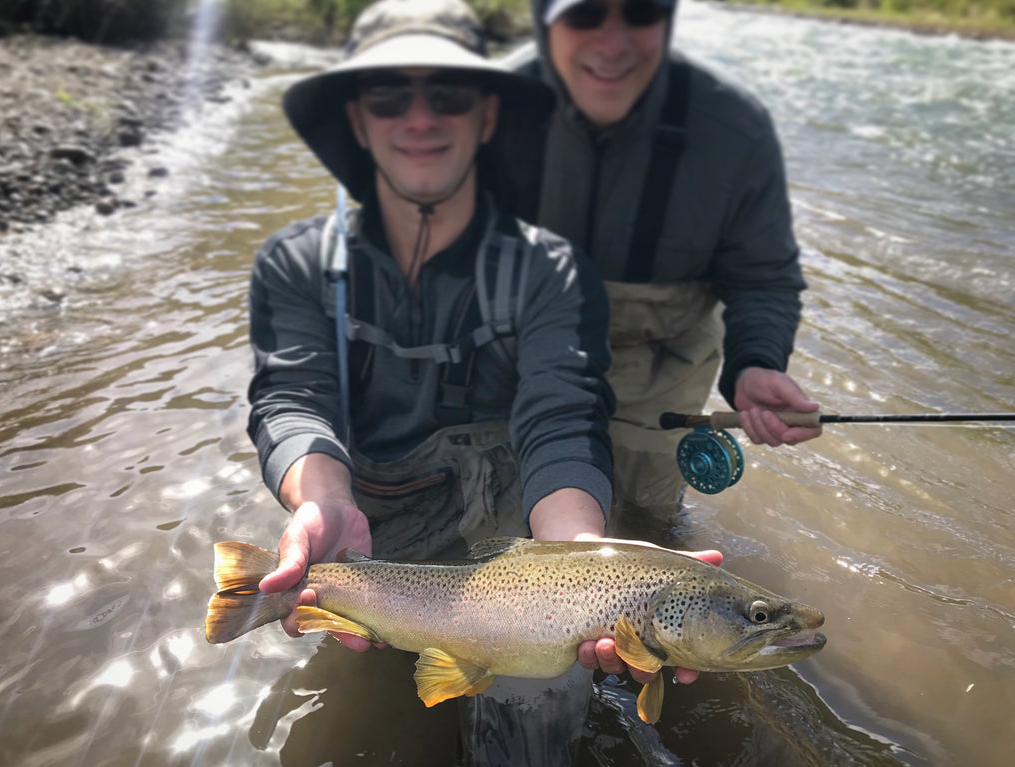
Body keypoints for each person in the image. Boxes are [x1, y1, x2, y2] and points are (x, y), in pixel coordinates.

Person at [244, 0, 721, 762]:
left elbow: (561, 419)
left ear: (488, 116)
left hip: (524, 523)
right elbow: (293, 397)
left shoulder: (552, 270)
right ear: (358, 121)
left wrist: (584, 564)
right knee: (366, 702)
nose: (421, 117)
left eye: (450, 94)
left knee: (538, 714)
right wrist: (321, 502)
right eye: (390, 96)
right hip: (374, 530)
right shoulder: (296, 265)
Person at [502, 0, 823, 533]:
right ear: (544, 22)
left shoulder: (736, 130)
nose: (612, 42)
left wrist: (756, 361)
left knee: (650, 523)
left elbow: (763, 276)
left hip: (660, 370)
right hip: (516, 360)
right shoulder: (480, 107)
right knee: (495, 515)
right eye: (584, 16)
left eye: (640, 12)